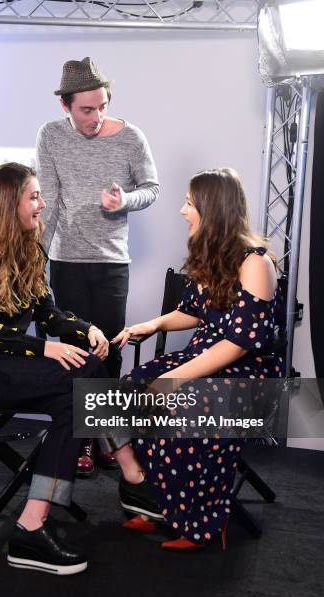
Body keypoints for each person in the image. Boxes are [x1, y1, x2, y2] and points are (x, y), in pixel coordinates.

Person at [0, 162, 111, 575]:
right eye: (34, 196)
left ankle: (31, 524)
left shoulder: (32, 247)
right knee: (85, 378)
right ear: (9, 202)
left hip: (13, 367)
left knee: (79, 397)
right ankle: (129, 468)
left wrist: (84, 328)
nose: (42, 204)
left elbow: (49, 314)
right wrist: (43, 349)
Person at [111, 168, 285, 550]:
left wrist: (174, 380)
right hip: (205, 356)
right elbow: (193, 311)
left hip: (247, 372)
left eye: (189, 203)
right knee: (127, 392)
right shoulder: (209, 252)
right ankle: (156, 501)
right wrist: (153, 324)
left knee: (179, 406)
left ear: (213, 208)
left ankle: (202, 524)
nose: (182, 209)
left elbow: (237, 344)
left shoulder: (255, 263)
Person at [36, 56, 160, 474]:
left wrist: (125, 200)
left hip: (110, 265)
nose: (96, 116)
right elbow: (47, 203)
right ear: (65, 106)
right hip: (66, 262)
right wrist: (37, 258)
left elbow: (151, 189)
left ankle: (110, 438)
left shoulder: (131, 138)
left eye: (103, 106)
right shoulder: (50, 136)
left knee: (108, 353)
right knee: (75, 354)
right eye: (87, 109)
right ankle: (83, 443)